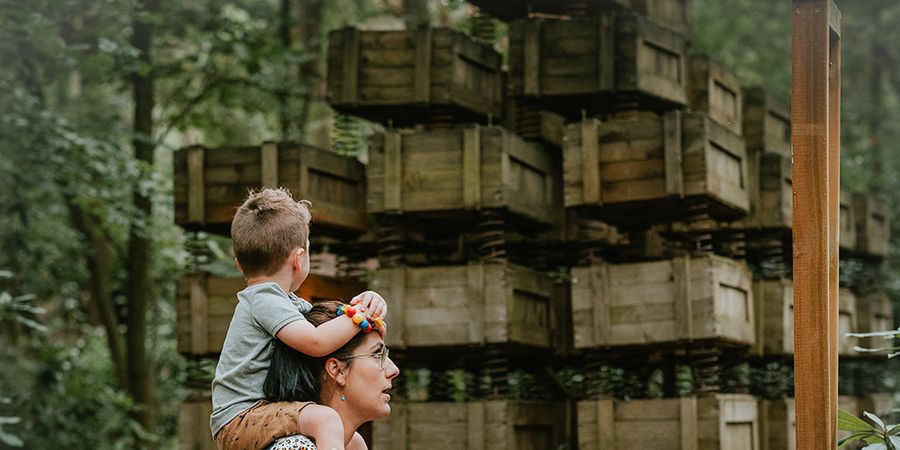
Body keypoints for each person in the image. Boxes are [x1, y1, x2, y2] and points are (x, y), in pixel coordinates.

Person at [210, 188, 388, 450]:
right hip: (241, 417)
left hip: (256, 414)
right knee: (326, 420)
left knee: (355, 444)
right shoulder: (263, 299)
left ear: (239, 264)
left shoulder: (283, 302)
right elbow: (317, 341)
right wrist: (359, 315)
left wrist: (367, 302)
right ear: (299, 258)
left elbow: (324, 321)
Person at [263, 300, 400, 450]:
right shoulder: (296, 447)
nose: (394, 370)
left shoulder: (354, 445)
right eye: (376, 354)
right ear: (337, 370)